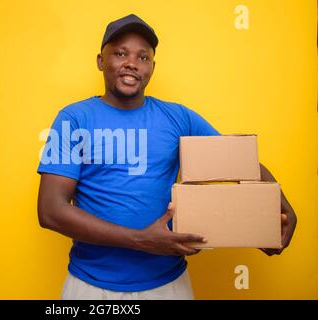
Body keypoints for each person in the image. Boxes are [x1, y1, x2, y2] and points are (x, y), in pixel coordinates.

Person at [37, 14, 297, 300]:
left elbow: (238, 161)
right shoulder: (73, 118)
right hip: (89, 286)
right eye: (120, 53)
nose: (131, 64)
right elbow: (51, 210)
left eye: (143, 57)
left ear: (152, 67)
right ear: (101, 60)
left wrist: (277, 206)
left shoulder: (178, 117)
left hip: (168, 286)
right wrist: (140, 240)